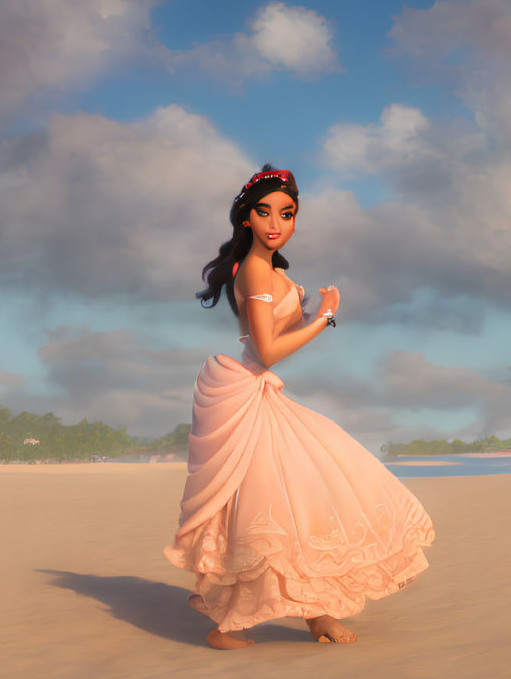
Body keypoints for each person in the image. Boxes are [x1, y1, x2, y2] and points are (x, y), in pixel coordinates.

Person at [164, 165, 435, 649]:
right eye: (264, 212)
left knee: (302, 501)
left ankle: (316, 614)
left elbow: (274, 341)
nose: (275, 223)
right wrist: (325, 317)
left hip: (264, 393)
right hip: (250, 395)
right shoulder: (253, 268)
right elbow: (265, 351)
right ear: (246, 217)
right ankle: (233, 622)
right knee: (267, 509)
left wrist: (309, 316)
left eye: (286, 214)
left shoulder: (272, 270)